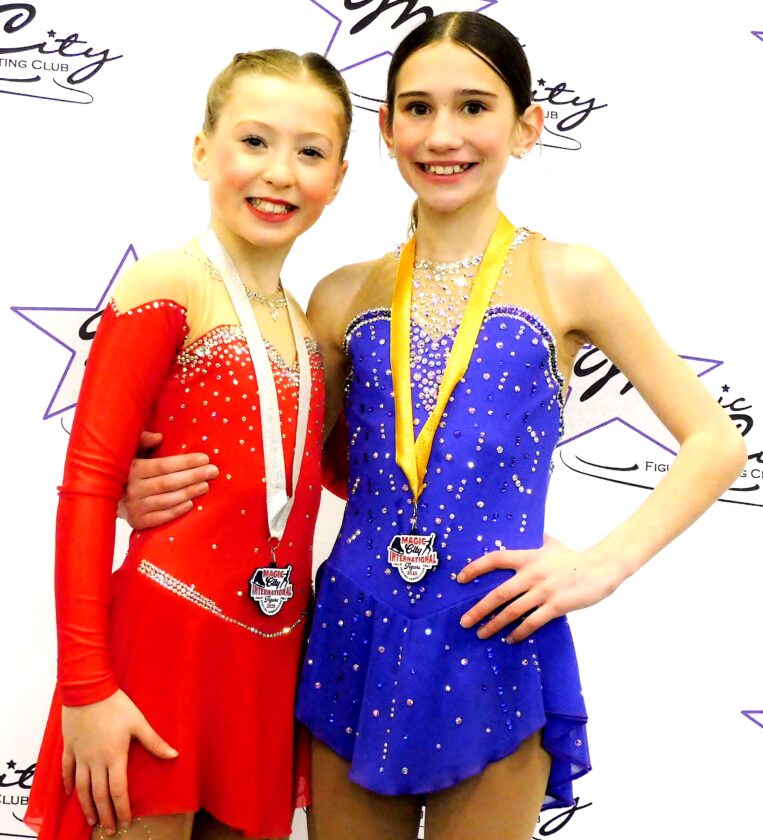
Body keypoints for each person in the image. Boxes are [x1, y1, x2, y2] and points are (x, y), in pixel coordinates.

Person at [122, 12, 746, 840]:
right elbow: (283, 456)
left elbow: (716, 441)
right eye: (417, 108)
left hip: (494, 632)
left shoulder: (571, 276)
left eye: (473, 106)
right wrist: (145, 483)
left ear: (526, 126)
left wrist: (603, 564)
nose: (442, 134)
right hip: (352, 633)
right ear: (385, 129)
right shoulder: (341, 294)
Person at [25, 48, 351, 840]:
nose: (279, 173)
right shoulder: (168, 283)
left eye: (310, 152)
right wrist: (86, 687)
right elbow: (88, 489)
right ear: (203, 150)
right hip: (157, 655)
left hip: (268, 667)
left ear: (338, 177)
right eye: (254, 141)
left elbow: (336, 477)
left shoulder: (311, 333)